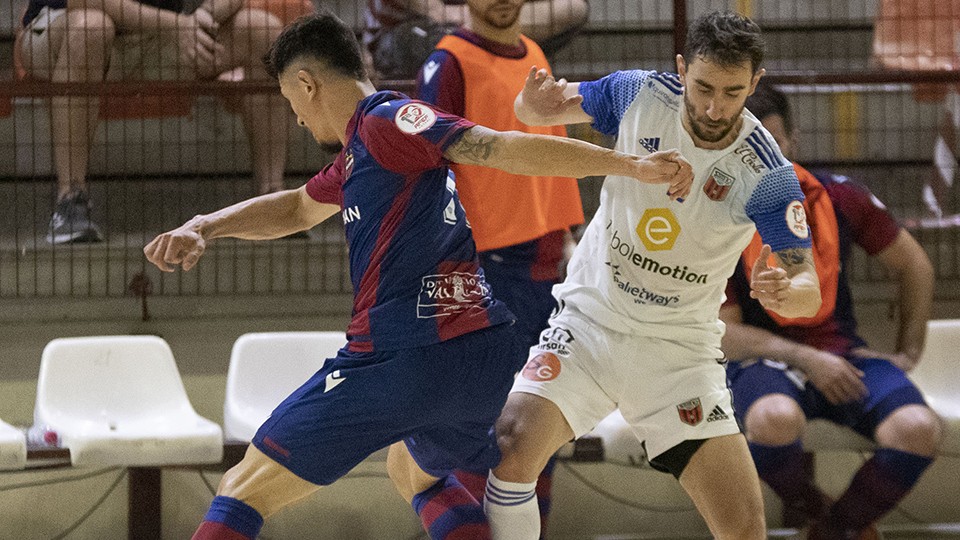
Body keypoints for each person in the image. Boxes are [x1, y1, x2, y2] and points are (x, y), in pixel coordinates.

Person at [143, 11, 693, 540]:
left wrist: (629, 166)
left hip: (401, 354)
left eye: (291, 102)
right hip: (477, 358)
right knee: (411, 470)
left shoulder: (389, 122)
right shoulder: (361, 154)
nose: (297, 119)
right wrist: (206, 226)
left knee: (244, 486)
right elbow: (294, 210)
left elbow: (497, 147)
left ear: (307, 84)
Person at [481, 11, 824, 540]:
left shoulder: (768, 174)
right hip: (590, 325)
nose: (714, 107)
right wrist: (531, 100)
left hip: (677, 352)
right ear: (682, 68)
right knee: (509, 449)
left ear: (755, 83)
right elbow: (532, 111)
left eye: (732, 92)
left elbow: (808, 288)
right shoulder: (637, 94)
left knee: (744, 527)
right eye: (703, 86)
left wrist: (787, 291)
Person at [721, 81, 941, 540]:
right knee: (772, 421)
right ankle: (816, 510)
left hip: (844, 354)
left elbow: (915, 265)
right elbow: (722, 333)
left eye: (772, 142)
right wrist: (808, 360)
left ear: (793, 142)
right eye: (747, 143)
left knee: (918, 430)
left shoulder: (837, 197)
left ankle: (833, 531)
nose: (761, 155)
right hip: (762, 362)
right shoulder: (716, 216)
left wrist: (909, 352)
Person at [414, 0, 583, 535]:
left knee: (537, 424)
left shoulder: (533, 52)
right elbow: (426, 173)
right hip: (483, 268)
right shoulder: (447, 64)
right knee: (476, 425)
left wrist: (571, 235)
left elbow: (551, 156)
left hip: (546, 265)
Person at [19, 0, 291, 244]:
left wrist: (203, 17)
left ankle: (271, 198)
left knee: (264, 30)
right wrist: (177, 25)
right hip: (64, 26)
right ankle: (70, 201)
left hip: (162, 35)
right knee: (91, 27)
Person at [365, 0, 588, 80]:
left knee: (573, 7)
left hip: (482, 28)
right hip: (415, 31)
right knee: (422, 41)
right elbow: (438, 13)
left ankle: (491, 45)